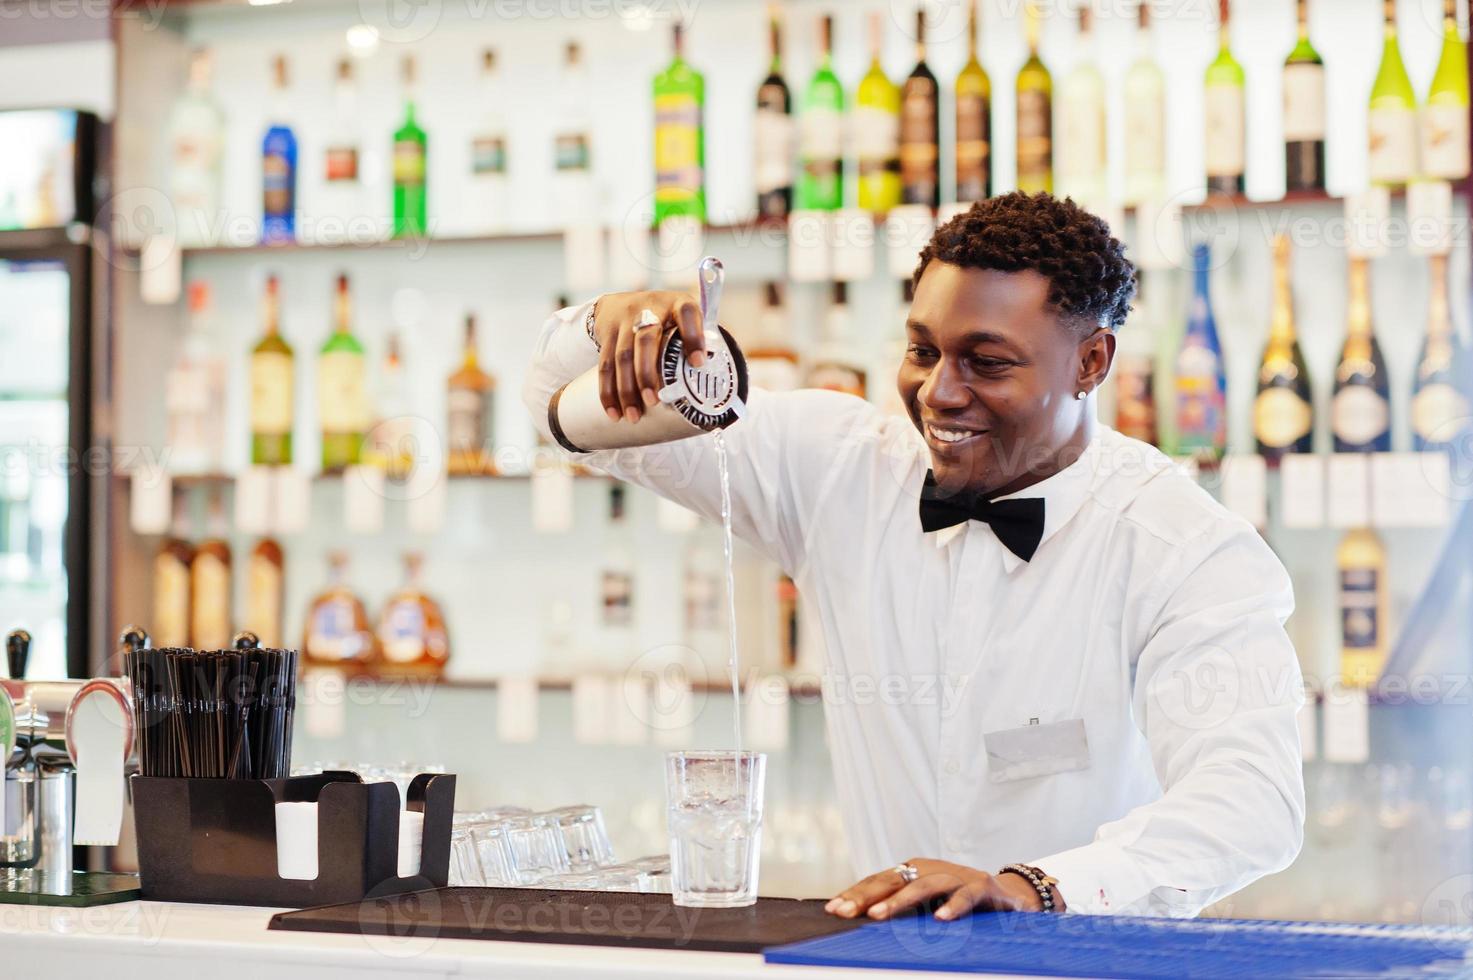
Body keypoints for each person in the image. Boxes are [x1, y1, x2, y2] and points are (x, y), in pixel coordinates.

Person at [523, 192, 1304, 919]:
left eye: (987, 362)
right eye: (922, 350)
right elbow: (554, 410)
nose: (938, 392)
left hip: (1085, 965)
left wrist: (1032, 887)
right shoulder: (833, 466)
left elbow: (1249, 801)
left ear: (1091, 363)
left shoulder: (1183, 549)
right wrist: (607, 323)